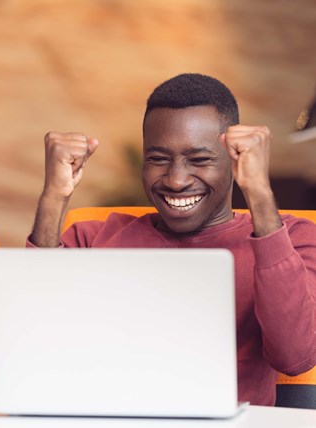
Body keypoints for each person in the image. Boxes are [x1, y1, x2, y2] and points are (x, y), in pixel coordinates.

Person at [28, 73, 316, 406]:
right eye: (159, 159)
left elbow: (294, 357)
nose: (176, 180)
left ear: (234, 162)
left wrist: (259, 193)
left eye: (200, 159)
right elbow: (34, 337)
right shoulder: (94, 238)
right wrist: (54, 196)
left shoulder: (291, 240)